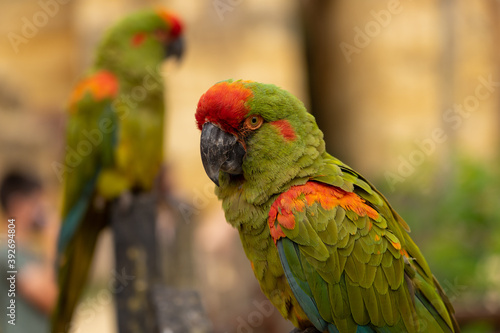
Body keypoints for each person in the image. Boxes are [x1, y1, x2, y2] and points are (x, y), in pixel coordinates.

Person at [0, 171, 58, 333]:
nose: (43, 210)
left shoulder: (26, 252)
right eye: (37, 202)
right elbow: (51, 300)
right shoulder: (7, 252)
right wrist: (52, 239)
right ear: (17, 203)